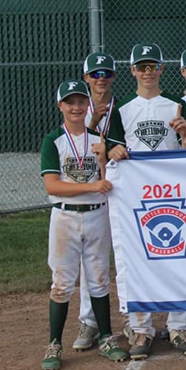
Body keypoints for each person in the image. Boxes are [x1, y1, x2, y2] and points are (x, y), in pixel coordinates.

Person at [106, 43, 186, 359]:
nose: (147, 72)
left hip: (172, 190)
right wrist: (112, 151)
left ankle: (177, 326)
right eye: (141, 66)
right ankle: (142, 329)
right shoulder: (122, 110)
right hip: (137, 194)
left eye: (152, 66)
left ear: (162, 69)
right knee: (137, 256)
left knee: (176, 254)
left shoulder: (175, 106)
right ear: (132, 70)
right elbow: (112, 149)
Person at [39, 80, 129, 370]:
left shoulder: (97, 139)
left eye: (80, 102)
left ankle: (105, 337)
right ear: (60, 106)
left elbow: (108, 180)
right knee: (62, 283)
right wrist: (93, 186)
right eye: (70, 102)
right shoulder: (54, 140)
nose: (76, 107)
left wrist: (105, 158)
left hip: (96, 215)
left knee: (99, 278)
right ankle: (54, 343)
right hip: (65, 217)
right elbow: (52, 186)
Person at [72, 52, 119, 352]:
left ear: (113, 77)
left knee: (130, 255)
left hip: (121, 187)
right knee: (92, 261)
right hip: (91, 193)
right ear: (87, 78)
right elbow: (73, 146)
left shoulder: (124, 107)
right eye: (95, 74)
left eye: (106, 73)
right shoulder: (77, 109)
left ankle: (133, 317)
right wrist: (93, 121)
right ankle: (88, 322)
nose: (101, 78)